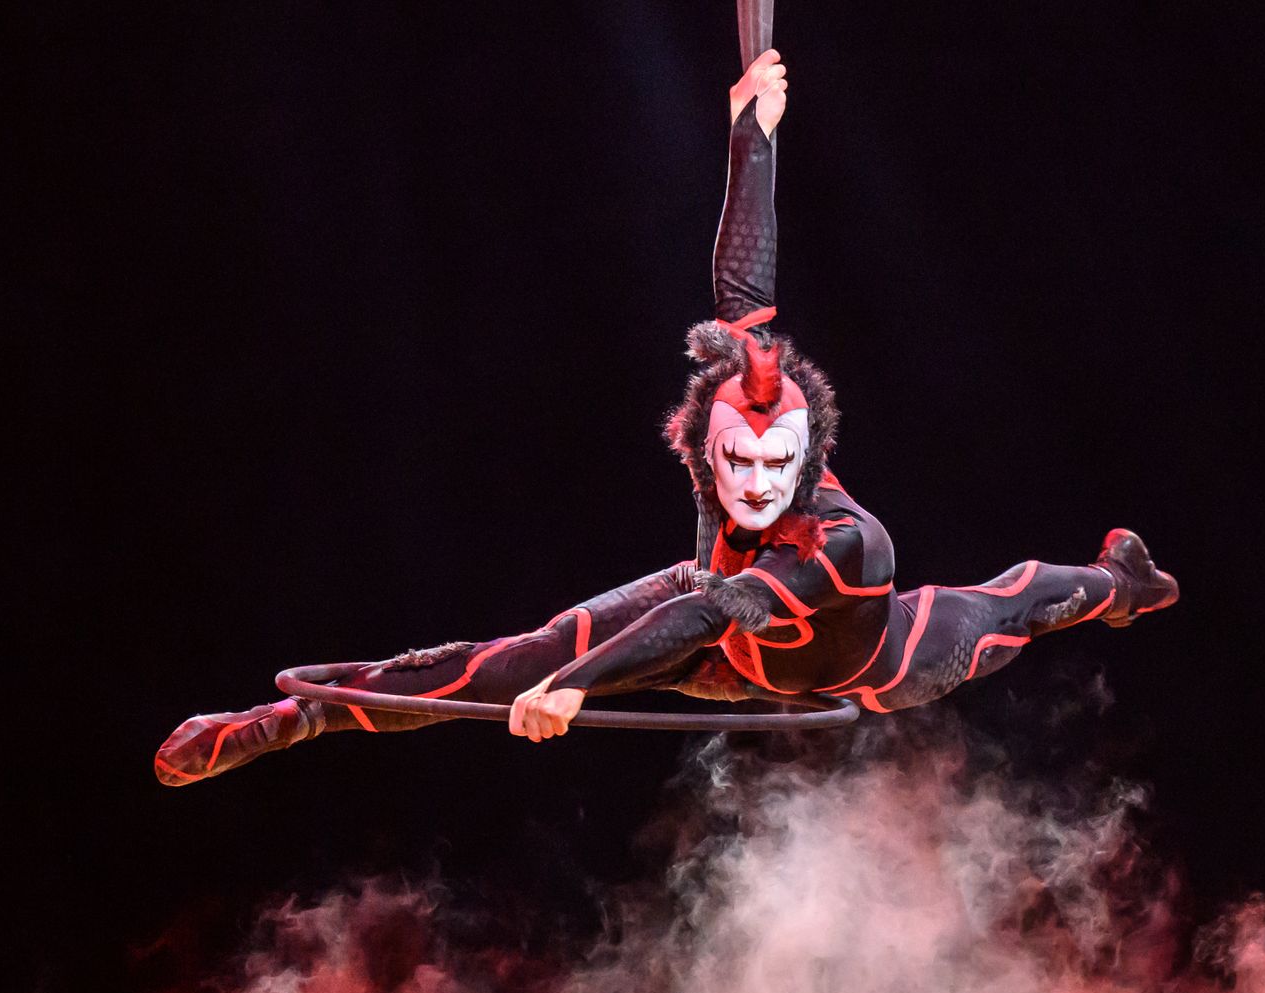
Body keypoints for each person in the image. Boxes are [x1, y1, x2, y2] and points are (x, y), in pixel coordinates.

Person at [153, 50, 1178, 787]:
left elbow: (703, 612)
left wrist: (579, 689)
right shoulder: (722, 431)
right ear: (703, 442)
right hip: (718, 634)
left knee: (1019, 600)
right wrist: (750, 133)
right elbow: (741, 283)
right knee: (513, 654)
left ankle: (1123, 582)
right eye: (736, 458)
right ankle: (295, 716)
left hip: (864, 659)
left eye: (781, 459)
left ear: (811, 449)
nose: (758, 477)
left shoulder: (846, 541)